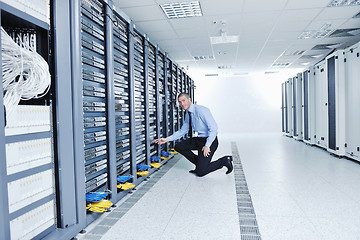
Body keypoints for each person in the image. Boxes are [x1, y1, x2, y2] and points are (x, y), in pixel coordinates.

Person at [154, 92, 233, 177]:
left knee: (201, 172)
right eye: (180, 102)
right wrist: (166, 139)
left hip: (210, 141)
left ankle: (224, 160)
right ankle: (200, 164)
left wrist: (207, 145)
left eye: (183, 100)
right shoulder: (188, 113)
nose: (182, 104)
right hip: (199, 139)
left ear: (189, 100)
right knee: (178, 146)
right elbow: (183, 130)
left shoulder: (201, 110)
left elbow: (213, 129)